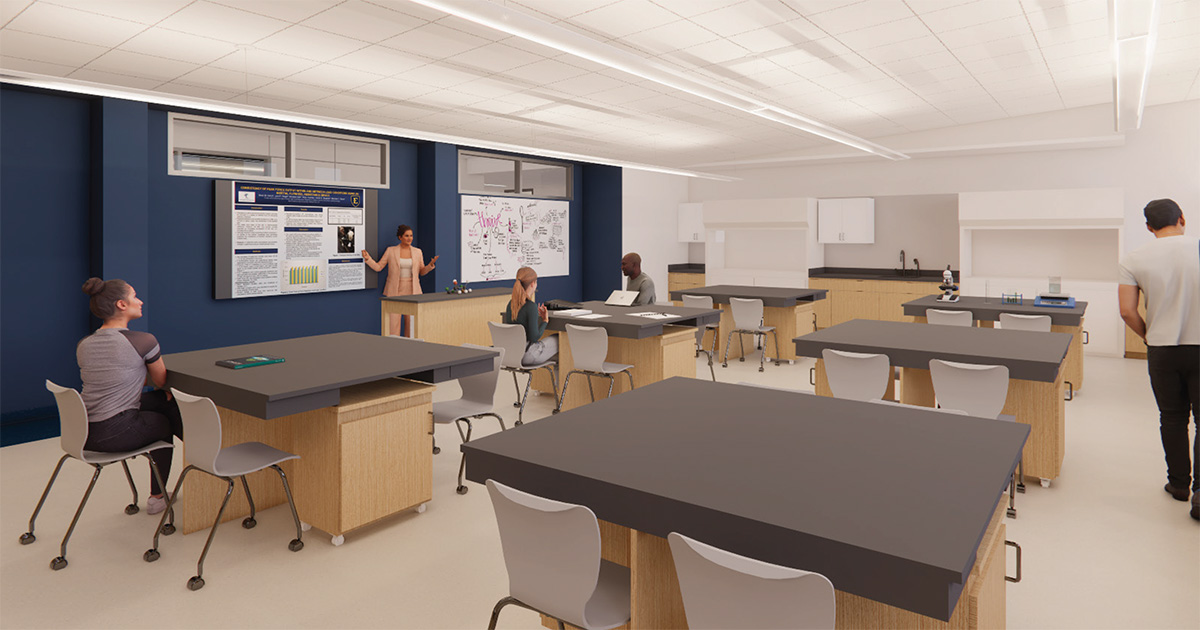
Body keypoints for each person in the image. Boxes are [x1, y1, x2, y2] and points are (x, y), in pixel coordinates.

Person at [1117, 198, 1200, 521]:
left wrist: (1148, 336)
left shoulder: (1134, 258)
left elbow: (1126, 310)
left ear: (1149, 227)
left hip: (1163, 349)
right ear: (1182, 218)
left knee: (1173, 417)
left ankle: (1179, 484)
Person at [77, 278, 184, 515]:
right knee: (164, 419)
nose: (140, 301)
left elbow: (120, 379)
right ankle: (159, 497)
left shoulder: (85, 344)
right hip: (114, 432)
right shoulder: (143, 341)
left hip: (84, 431)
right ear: (121, 304)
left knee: (161, 401)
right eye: (134, 296)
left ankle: (201, 449)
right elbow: (161, 380)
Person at [363, 224, 438, 336]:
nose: (409, 238)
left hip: (413, 291)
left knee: (412, 326)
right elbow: (378, 267)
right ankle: (393, 349)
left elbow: (421, 271)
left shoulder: (418, 252)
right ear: (400, 237)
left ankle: (410, 348)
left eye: (411, 236)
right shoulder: (391, 251)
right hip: (394, 291)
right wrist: (368, 259)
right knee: (393, 326)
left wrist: (430, 265)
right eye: (406, 236)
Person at [503, 266, 558, 366]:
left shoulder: (510, 304)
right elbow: (534, 337)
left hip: (513, 355)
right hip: (529, 356)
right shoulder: (531, 306)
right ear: (533, 284)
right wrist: (545, 321)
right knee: (558, 340)